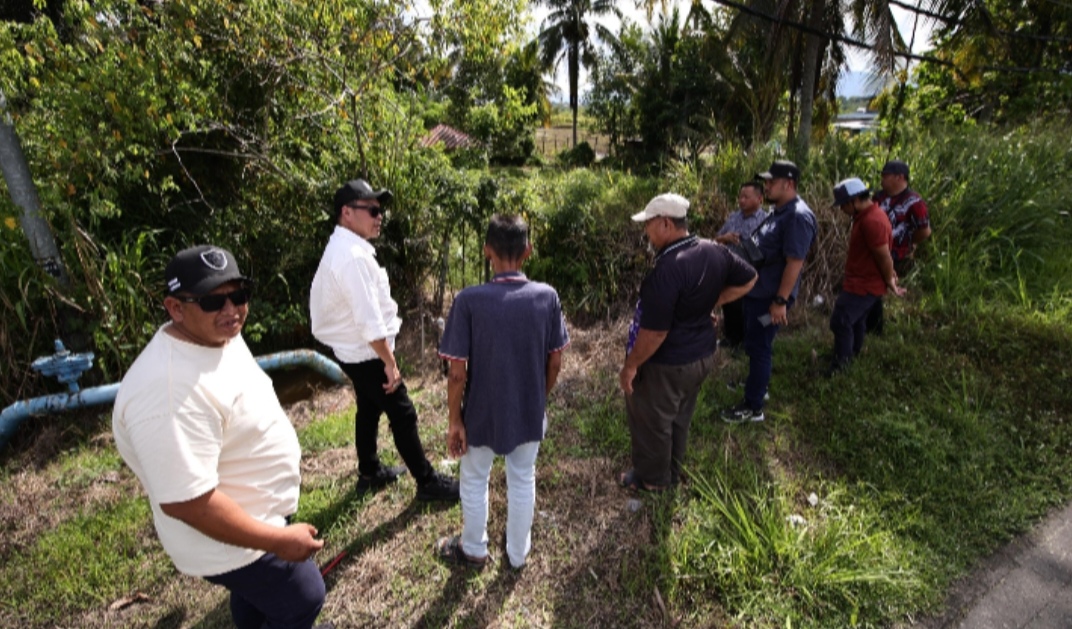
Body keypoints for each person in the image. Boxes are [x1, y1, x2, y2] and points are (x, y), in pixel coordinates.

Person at [113, 245, 328, 629]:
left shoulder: (216, 334)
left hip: (256, 518)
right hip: (230, 541)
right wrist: (277, 540)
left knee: (258, 600)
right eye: (212, 301)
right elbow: (189, 503)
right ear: (175, 308)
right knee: (303, 596)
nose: (231, 310)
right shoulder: (167, 393)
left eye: (239, 295)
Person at [433, 215, 570, 570]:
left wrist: (454, 421)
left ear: (486, 251)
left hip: (480, 411)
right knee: (523, 477)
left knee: (474, 478)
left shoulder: (469, 301)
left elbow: (457, 374)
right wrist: (537, 397)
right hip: (528, 409)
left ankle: (474, 549)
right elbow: (555, 362)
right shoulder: (547, 297)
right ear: (528, 251)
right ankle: (517, 555)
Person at [310, 179, 459, 502]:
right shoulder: (352, 257)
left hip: (353, 349)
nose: (379, 217)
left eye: (380, 211)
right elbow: (369, 320)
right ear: (347, 213)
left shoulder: (346, 248)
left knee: (368, 407)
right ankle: (427, 482)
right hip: (366, 351)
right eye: (372, 210)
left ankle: (369, 472)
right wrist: (389, 363)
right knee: (402, 412)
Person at [620, 194, 757, 491]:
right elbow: (750, 278)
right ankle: (671, 470)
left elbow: (655, 334)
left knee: (652, 419)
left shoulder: (667, 270)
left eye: (648, 224)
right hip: (702, 355)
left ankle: (654, 481)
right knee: (679, 416)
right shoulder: (713, 249)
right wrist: (711, 302)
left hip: (669, 363)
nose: (646, 231)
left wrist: (631, 366)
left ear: (666, 224)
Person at [721, 160, 817, 424]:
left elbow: (795, 262)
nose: (767, 186)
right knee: (754, 343)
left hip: (770, 297)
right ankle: (757, 384)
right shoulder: (780, 211)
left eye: (771, 182)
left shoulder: (798, 217)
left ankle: (753, 407)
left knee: (759, 345)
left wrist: (780, 301)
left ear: (789, 184)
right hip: (758, 290)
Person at [826, 178, 906, 375]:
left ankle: (841, 365)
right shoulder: (867, 216)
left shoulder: (872, 221)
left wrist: (890, 280)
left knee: (841, 321)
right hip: (860, 281)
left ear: (854, 201)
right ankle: (852, 354)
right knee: (857, 321)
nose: (841, 209)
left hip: (864, 285)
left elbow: (884, 256)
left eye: (843, 205)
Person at [866, 159, 931, 334]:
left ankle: (874, 328)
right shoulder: (879, 197)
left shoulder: (914, 202)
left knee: (875, 285)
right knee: (871, 284)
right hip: (874, 247)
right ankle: (870, 325)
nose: (882, 179)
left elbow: (924, 231)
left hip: (894, 251)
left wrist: (910, 243)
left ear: (899, 177)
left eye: (885, 176)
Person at [714, 181, 769, 349]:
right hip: (729, 269)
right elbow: (716, 238)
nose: (742, 200)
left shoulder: (766, 220)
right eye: (740, 197)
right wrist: (726, 238)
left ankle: (748, 342)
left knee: (748, 307)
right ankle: (731, 339)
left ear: (759, 199)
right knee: (730, 304)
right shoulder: (734, 216)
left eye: (746, 197)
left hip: (753, 273)